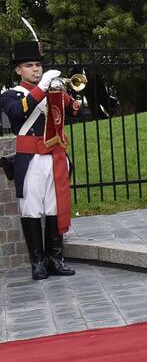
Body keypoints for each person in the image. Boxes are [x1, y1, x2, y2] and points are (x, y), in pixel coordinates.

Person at [1, 36, 80, 280]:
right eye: (29, 65)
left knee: (55, 208)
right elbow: (17, 112)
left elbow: (71, 113)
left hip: (54, 155)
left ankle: (56, 259)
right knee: (32, 210)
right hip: (30, 158)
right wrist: (43, 86)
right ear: (18, 70)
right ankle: (38, 262)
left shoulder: (51, 90)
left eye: (38, 65)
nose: (35, 69)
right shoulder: (10, 94)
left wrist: (72, 101)